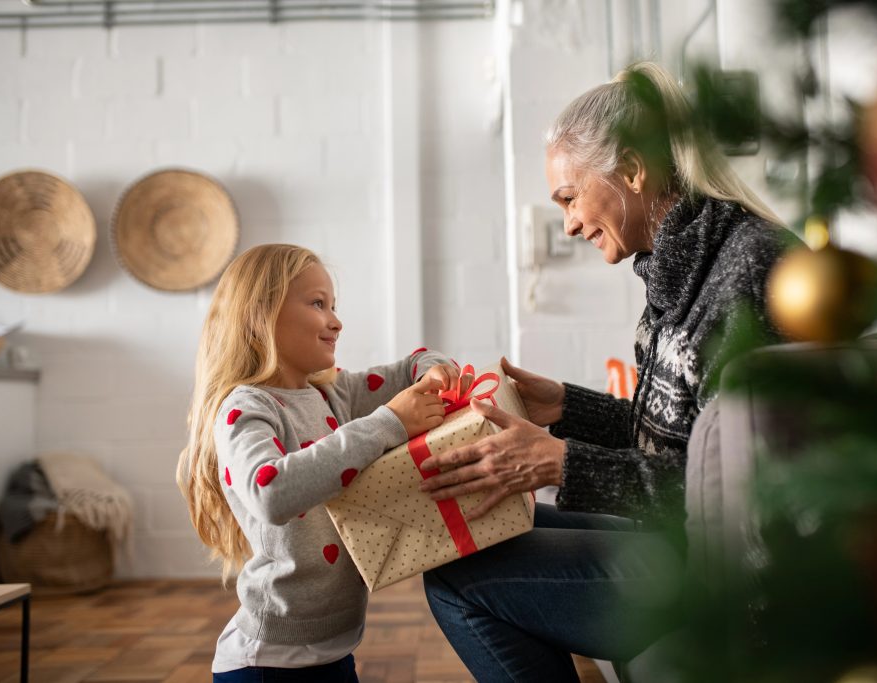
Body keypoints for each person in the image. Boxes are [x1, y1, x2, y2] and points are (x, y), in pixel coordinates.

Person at [419, 62, 803, 681]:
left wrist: (560, 462)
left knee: (459, 581)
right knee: (473, 538)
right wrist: (563, 406)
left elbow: (743, 496)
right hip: (679, 537)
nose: (568, 223)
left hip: (725, 572)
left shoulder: (749, 270)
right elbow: (685, 439)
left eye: (570, 197)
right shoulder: (674, 270)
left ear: (631, 170)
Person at [177, 244, 462, 682]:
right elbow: (270, 491)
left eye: (333, 305)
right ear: (262, 316)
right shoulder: (245, 408)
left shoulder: (333, 392)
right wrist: (388, 424)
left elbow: (413, 366)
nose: (336, 320)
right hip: (267, 662)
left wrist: (435, 373)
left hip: (335, 650)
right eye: (317, 304)